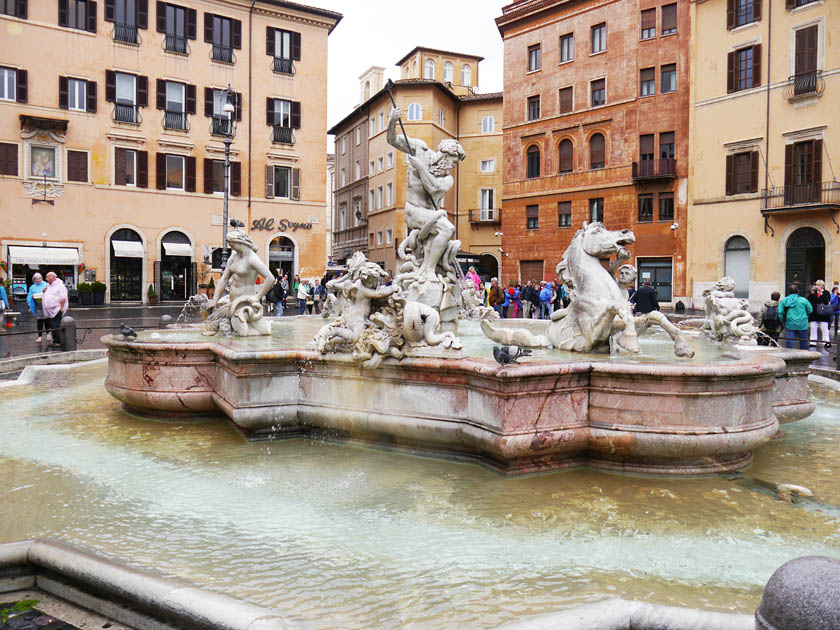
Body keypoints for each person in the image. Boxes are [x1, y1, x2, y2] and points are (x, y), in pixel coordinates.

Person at [388, 106, 465, 279]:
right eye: (453, 162)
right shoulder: (419, 149)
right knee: (448, 228)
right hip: (414, 210)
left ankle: (431, 268)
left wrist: (420, 167)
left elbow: (432, 187)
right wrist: (392, 121)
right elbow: (392, 140)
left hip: (431, 214)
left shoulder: (448, 179)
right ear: (444, 154)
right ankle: (428, 271)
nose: (452, 167)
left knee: (447, 232)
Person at [204, 230, 275, 336]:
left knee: (241, 332)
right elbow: (224, 279)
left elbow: (270, 278)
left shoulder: (252, 259)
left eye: (232, 244)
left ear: (240, 242)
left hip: (245, 303)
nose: (231, 247)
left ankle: (257, 330)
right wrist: (214, 300)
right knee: (212, 318)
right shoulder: (233, 257)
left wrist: (258, 296)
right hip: (232, 302)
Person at [779, 284, 812, 349]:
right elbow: (810, 310)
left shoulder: (784, 300)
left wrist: (782, 320)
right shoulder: (803, 300)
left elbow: (780, 312)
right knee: (803, 342)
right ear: (798, 291)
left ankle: (790, 355)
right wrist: (807, 315)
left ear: (789, 291)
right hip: (802, 324)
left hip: (790, 324)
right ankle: (805, 357)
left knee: (789, 343)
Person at [42, 271, 68, 347]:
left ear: (53, 277)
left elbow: (63, 297)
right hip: (49, 309)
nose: (46, 279)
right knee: (52, 325)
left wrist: (61, 307)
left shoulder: (60, 286)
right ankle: (55, 341)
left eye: (47, 277)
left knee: (55, 325)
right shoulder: (49, 286)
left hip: (57, 308)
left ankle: (60, 341)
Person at [807, 280, 831, 348]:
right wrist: (811, 293)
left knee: (824, 328)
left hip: (823, 312)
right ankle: (813, 342)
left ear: (823, 286)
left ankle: (826, 342)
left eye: (820, 285)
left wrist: (821, 293)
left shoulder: (826, 292)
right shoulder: (813, 292)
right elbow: (808, 300)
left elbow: (827, 301)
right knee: (813, 328)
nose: (818, 286)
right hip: (814, 312)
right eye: (817, 285)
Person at [26, 273, 49, 342]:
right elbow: (29, 295)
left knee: (47, 320)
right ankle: (40, 337)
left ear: (42, 279)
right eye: (36, 279)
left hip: (46, 305)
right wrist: (31, 297)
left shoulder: (46, 285)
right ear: (34, 280)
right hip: (37, 306)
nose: (38, 280)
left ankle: (48, 334)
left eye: (39, 279)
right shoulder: (32, 287)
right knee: (39, 321)